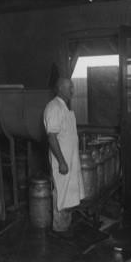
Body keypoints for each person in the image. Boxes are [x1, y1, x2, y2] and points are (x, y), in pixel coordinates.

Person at [44, 78, 85, 238]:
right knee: (61, 194)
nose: (72, 91)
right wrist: (61, 162)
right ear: (60, 88)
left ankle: (65, 225)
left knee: (68, 194)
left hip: (69, 161)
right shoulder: (54, 107)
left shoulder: (63, 106)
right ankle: (60, 230)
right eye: (70, 88)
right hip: (62, 162)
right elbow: (52, 137)